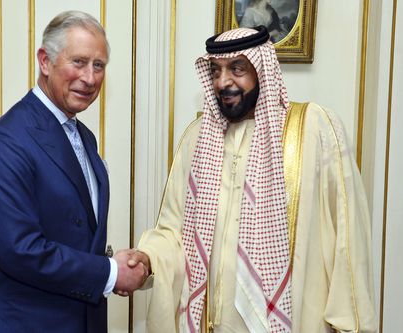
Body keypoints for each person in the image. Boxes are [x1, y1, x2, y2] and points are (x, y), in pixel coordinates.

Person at [126, 26, 377, 332]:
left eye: (237, 68)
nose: (223, 82)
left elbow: (347, 239)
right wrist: (148, 258)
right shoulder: (197, 138)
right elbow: (174, 231)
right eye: (216, 71)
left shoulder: (312, 129)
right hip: (212, 322)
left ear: (262, 70)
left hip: (295, 319)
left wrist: (350, 323)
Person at [0, 10, 147, 333]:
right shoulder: (3, 142)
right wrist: (109, 272)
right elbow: (20, 251)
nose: (90, 78)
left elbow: (77, 235)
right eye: (78, 62)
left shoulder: (84, 137)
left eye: (99, 65)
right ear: (45, 61)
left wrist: (117, 268)